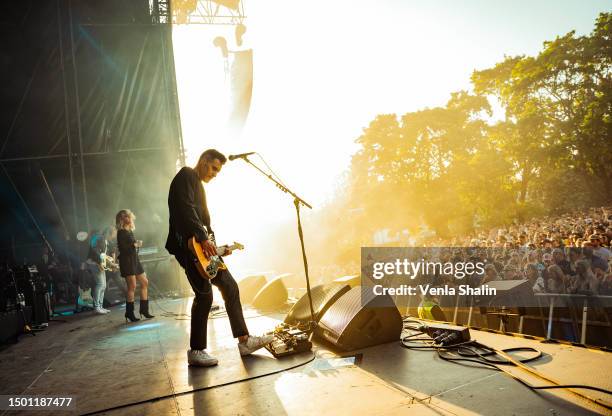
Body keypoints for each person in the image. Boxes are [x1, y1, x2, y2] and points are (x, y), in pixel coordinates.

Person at [165, 149, 273, 367]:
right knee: (204, 296)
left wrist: (217, 246)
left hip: (204, 248)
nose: (215, 174)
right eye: (214, 168)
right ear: (204, 161)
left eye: (218, 170)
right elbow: (185, 210)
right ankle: (196, 351)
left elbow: (202, 220)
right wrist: (203, 237)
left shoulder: (199, 186)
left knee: (230, 286)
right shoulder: (186, 175)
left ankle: (245, 341)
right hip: (189, 248)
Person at [116, 209, 154, 322]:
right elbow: (123, 249)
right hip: (127, 261)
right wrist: (134, 244)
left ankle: (144, 310)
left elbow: (131, 246)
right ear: (122, 220)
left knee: (144, 282)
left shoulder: (129, 231)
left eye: (129, 216)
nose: (129, 218)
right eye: (126, 217)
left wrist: (136, 244)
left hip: (134, 260)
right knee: (132, 286)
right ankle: (129, 313)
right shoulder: (121, 232)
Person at [86, 226, 116, 314]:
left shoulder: (105, 240)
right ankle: (96, 307)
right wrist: (100, 262)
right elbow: (95, 252)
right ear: (109, 233)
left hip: (98, 263)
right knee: (100, 284)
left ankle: (100, 306)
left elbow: (103, 254)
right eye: (113, 234)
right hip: (94, 263)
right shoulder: (99, 238)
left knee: (103, 285)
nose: (113, 237)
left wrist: (109, 262)